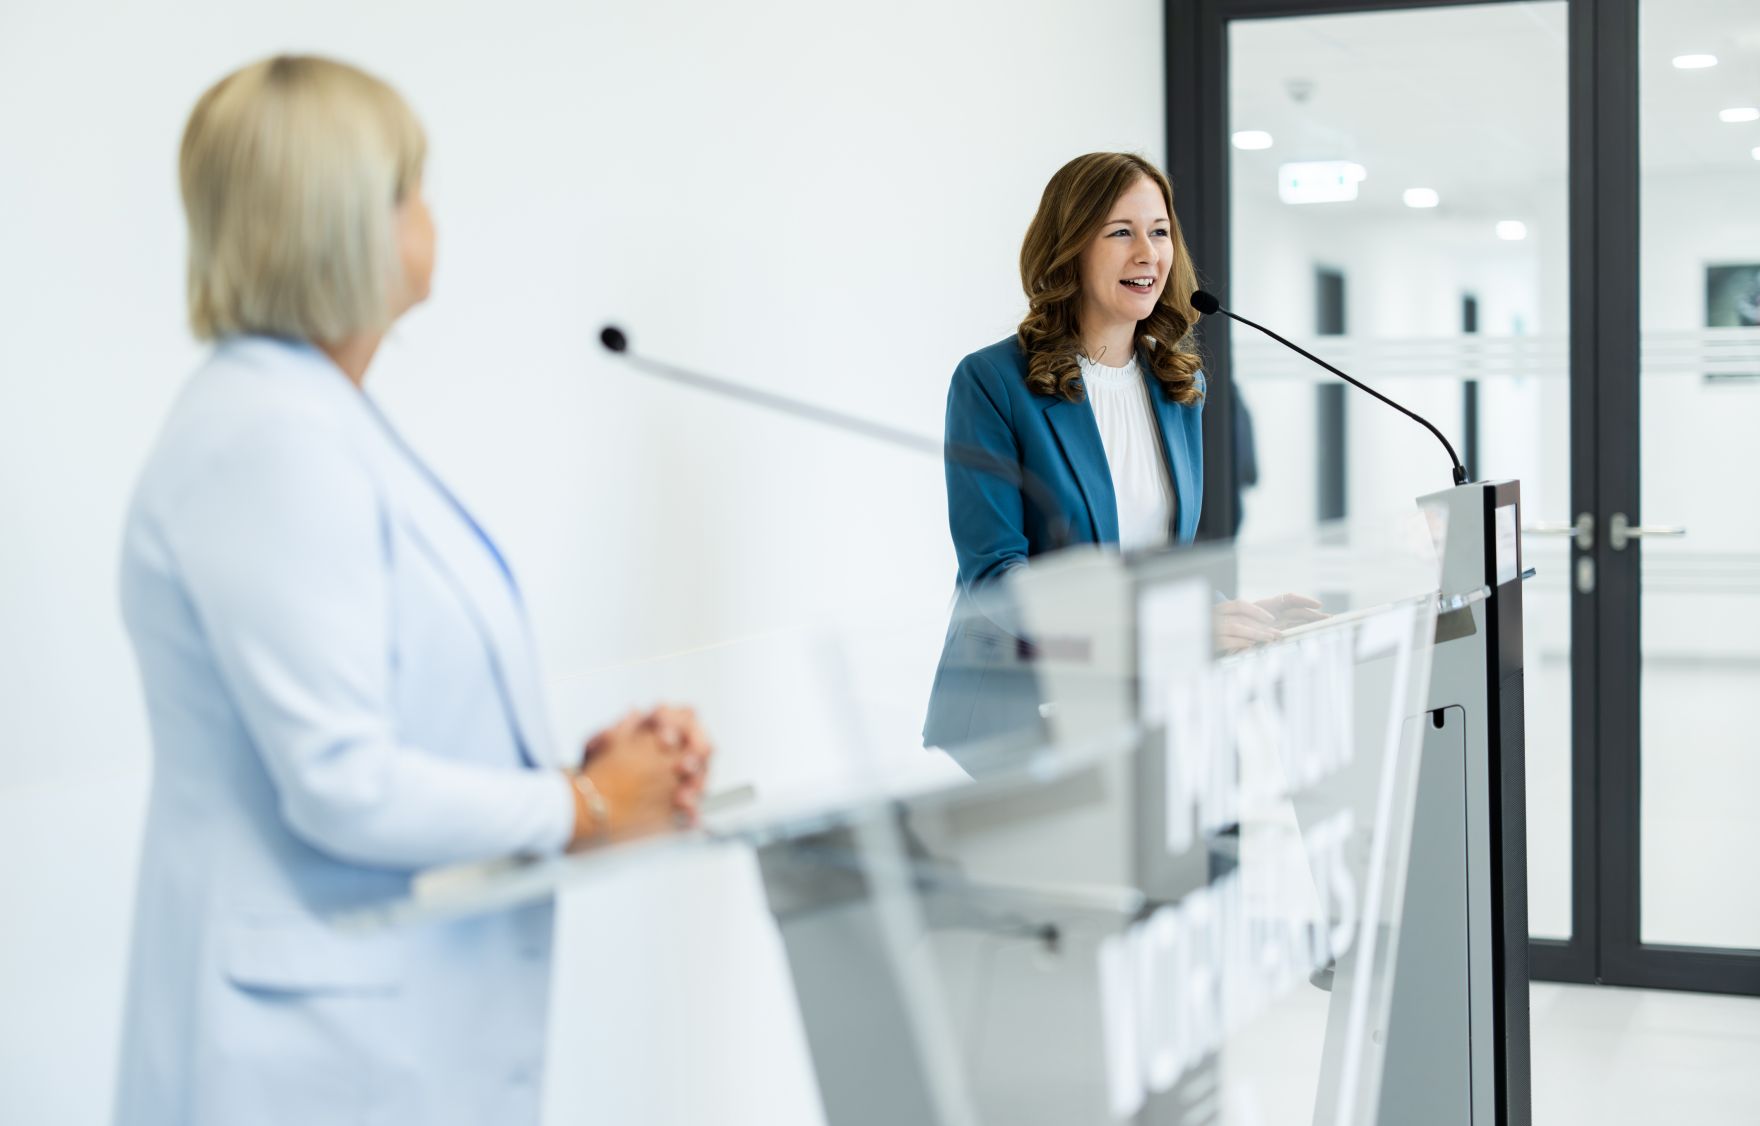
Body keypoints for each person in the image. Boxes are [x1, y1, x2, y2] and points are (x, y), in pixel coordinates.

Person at [113, 55, 709, 1126]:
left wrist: (591, 774)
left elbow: (369, 714)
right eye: (407, 189)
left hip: (369, 1028)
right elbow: (339, 779)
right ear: (337, 220)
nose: (428, 213)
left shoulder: (309, 418)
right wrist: (577, 807)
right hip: (304, 1055)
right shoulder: (271, 443)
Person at [923, 152, 1313, 752]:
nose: (1148, 254)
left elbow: (1152, 563)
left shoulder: (1180, 386)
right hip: (1026, 718)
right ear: (1070, 248)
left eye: (1159, 232)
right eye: (1120, 232)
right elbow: (997, 582)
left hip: (1142, 711)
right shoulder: (992, 382)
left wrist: (1237, 617)